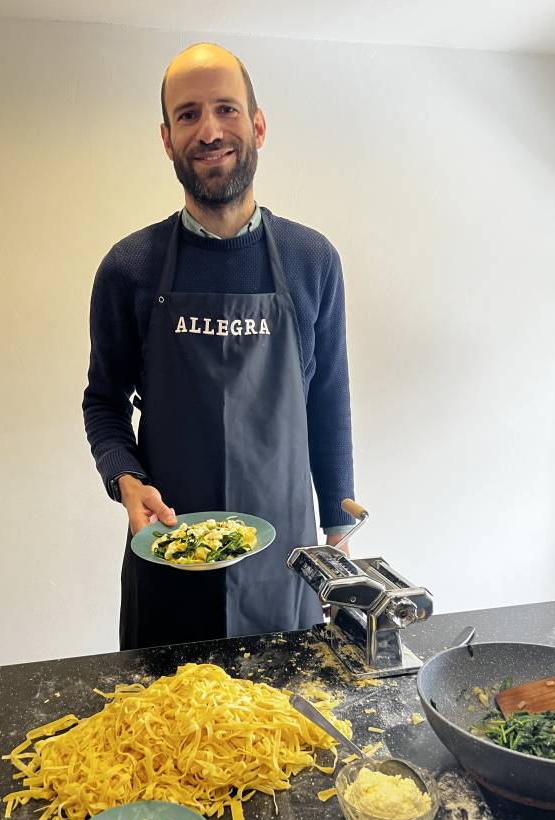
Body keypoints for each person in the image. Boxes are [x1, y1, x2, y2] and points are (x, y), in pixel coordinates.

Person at [83, 43, 355, 649]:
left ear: (257, 125)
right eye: (188, 115)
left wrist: (338, 536)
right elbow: (103, 402)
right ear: (166, 137)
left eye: (226, 109)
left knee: (287, 736)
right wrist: (125, 477)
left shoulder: (313, 261)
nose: (209, 131)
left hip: (287, 569)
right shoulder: (130, 268)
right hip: (169, 562)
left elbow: (329, 401)